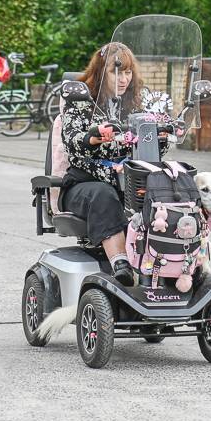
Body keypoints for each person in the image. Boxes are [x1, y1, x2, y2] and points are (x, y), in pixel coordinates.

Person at [58, 41, 172, 286]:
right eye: (116, 72)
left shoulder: (136, 103)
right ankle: (121, 264)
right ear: (101, 72)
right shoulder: (80, 101)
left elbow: (151, 147)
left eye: (128, 72)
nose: (124, 79)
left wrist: (162, 135)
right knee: (104, 194)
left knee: (168, 189)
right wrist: (92, 135)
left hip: (129, 182)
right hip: (85, 183)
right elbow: (72, 141)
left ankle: (175, 264)